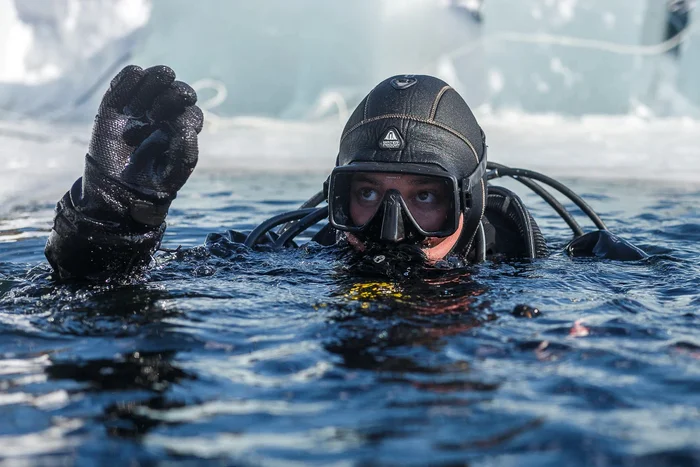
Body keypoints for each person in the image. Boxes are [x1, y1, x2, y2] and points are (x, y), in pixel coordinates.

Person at [44, 65, 646, 281]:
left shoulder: (569, 280)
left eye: (425, 198)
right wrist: (115, 222)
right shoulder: (276, 261)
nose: (391, 229)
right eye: (366, 193)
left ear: (473, 198)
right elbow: (96, 305)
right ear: (334, 195)